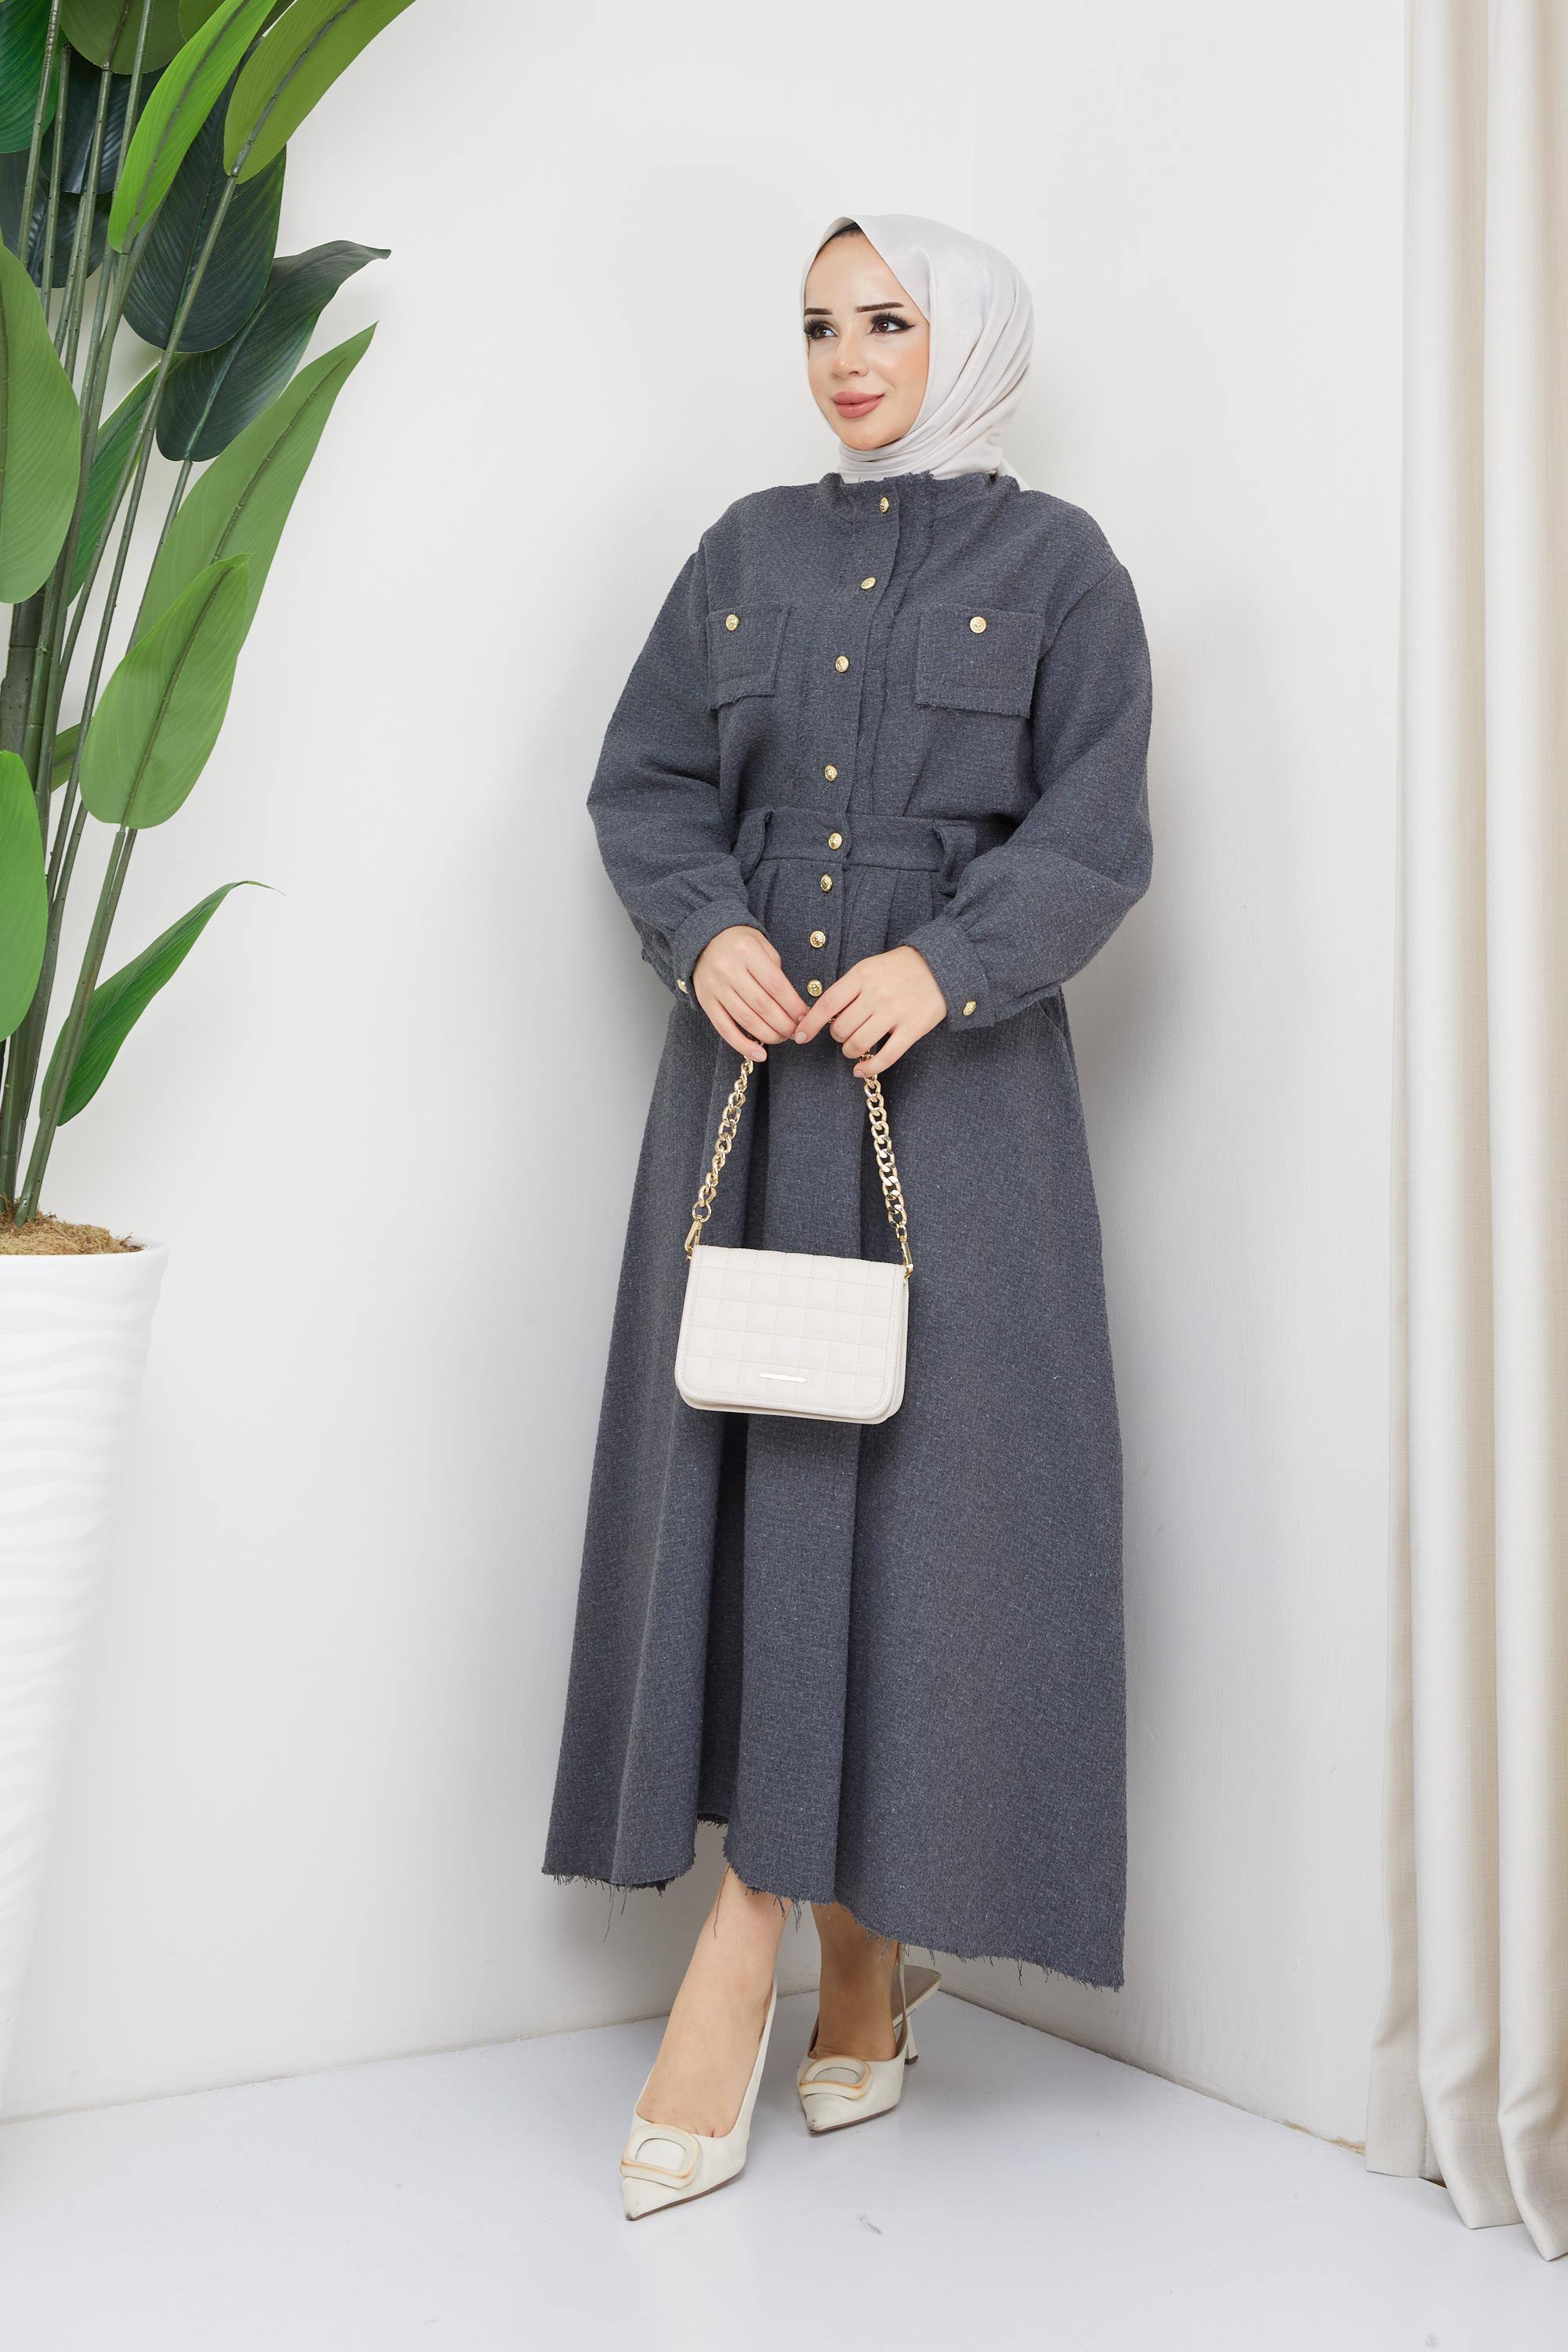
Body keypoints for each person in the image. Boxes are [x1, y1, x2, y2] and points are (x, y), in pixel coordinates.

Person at [542, 211, 1154, 2217]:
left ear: (966, 335)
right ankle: (848, 1973)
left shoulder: (1059, 568)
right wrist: (701, 923)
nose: (846, 356)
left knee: (926, 1526)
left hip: (957, 1119)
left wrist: (950, 962)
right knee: (765, 1508)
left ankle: (758, 1960)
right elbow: (645, 785)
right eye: (818, 323)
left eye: (886, 318)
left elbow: (1095, 831)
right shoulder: (742, 550)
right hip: (749, 1101)